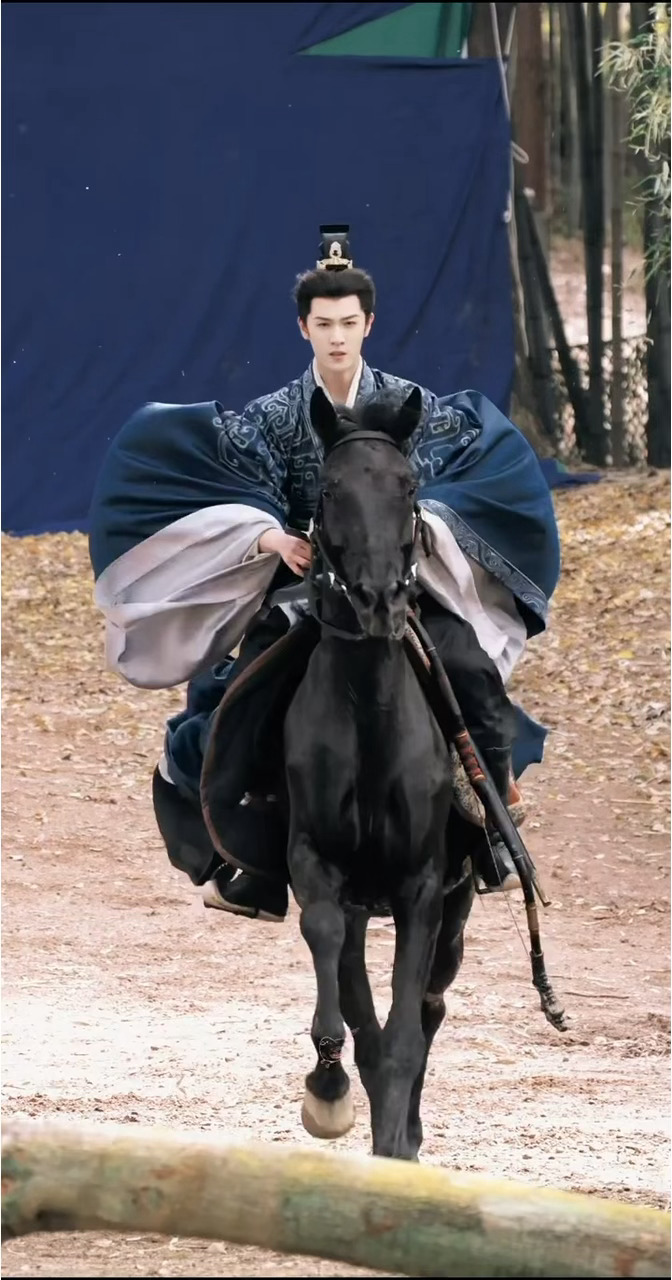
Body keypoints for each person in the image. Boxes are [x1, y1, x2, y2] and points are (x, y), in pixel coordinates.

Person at [88, 226, 560, 923]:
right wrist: (269, 537)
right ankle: (252, 853)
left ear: (368, 324)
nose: (337, 337)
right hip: (307, 593)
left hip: (397, 586)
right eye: (323, 324)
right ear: (303, 328)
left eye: (348, 322)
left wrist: (421, 527)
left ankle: (491, 823)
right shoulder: (276, 417)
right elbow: (245, 488)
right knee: (239, 696)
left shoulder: (409, 408)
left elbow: (459, 479)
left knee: (467, 668)